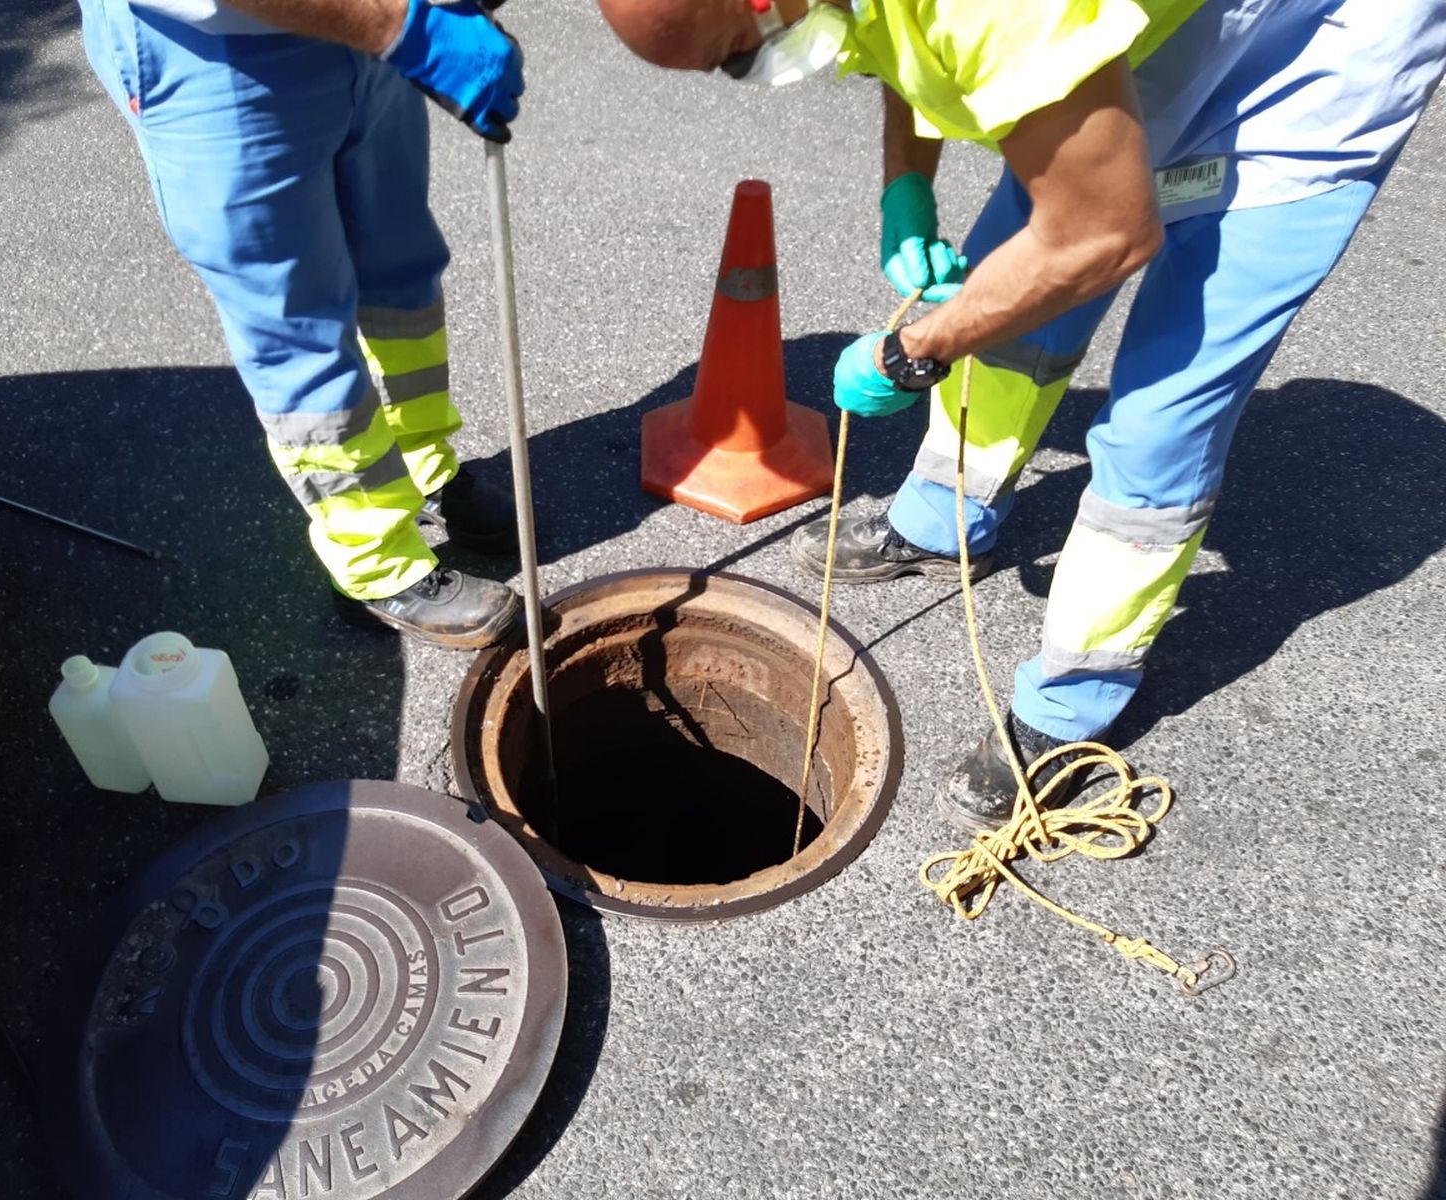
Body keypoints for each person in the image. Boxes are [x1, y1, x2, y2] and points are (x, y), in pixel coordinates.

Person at [594, 0, 1446, 829]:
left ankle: (1074, 700)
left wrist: (913, 351)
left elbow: (1102, 234)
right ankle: (944, 520)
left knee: (1162, 416)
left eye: (740, 52)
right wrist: (906, 188)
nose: (752, 68)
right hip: (1160, 34)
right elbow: (903, 40)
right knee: (1006, 313)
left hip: (1320, 66)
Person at [75, 0, 529, 648]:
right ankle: (375, 566)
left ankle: (423, 463)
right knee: (299, 325)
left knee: (400, 269)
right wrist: (406, 30)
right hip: (217, 53)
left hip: (375, 33)